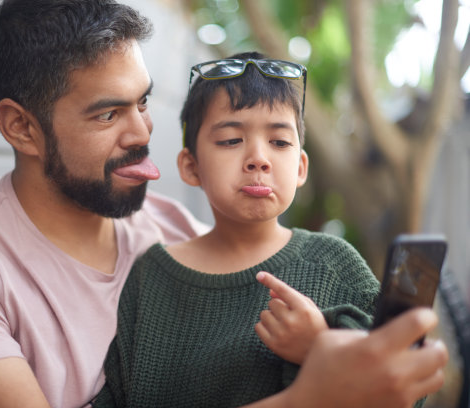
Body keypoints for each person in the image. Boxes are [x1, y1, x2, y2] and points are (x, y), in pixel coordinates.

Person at [0, 1, 448, 408]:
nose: (142, 132)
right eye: (107, 114)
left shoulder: (178, 231)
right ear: (20, 127)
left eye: (145, 102)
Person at [92, 52, 383, 407]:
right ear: (191, 166)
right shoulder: (149, 276)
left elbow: (405, 382)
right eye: (231, 140)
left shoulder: (333, 264)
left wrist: (322, 345)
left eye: (279, 142)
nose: (258, 158)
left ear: (301, 167)